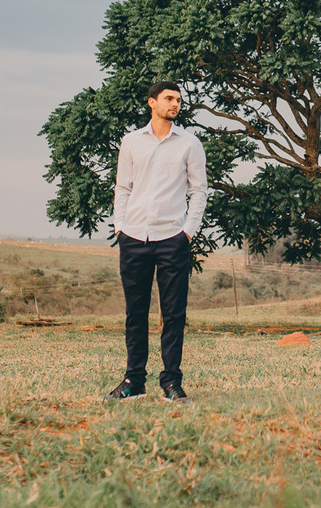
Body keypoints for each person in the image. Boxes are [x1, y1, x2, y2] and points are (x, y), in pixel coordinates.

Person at [105, 81, 207, 403]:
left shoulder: (189, 143)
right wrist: (120, 227)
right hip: (133, 237)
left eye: (178, 100)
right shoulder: (132, 141)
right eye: (168, 99)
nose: (175, 104)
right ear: (152, 102)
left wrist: (187, 231)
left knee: (174, 314)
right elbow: (122, 188)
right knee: (136, 313)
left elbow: (199, 190)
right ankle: (134, 380)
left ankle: (171, 383)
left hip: (171, 239)